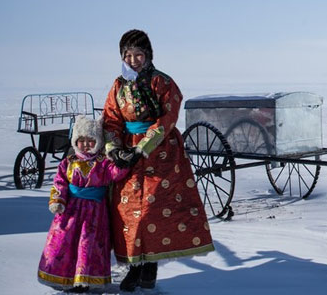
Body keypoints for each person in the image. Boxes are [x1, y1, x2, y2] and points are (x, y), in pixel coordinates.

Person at [103, 29, 214, 291]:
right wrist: (114, 148)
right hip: (127, 155)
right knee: (128, 213)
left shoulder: (163, 82)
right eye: (127, 55)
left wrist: (143, 147)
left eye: (138, 54)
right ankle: (134, 267)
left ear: (148, 55)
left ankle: (150, 265)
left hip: (160, 153)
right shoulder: (118, 85)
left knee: (153, 212)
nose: (133, 60)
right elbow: (111, 118)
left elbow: (168, 117)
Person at [37, 115, 130, 292]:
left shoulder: (103, 163)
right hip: (70, 212)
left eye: (91, 140)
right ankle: (65, 277)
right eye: (82, 140)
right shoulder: (68, 162)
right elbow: (59, 182)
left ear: (98, 142)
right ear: (75, 141)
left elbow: (115, 173)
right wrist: (58, 200)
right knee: (66, 243)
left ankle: (84, 280)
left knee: (88, 244)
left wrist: (123, 163)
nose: (86, 144)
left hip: (94, 213)